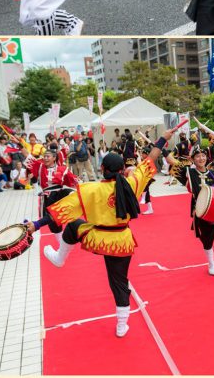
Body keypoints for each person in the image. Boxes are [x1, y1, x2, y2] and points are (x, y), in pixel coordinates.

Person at [26, 130, 170, 338]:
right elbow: (151, 158)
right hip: (122, 242)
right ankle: (122, 325)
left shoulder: (89, 189)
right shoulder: (132, 183)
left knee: (74, 224)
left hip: (98, 239)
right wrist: (163, 138)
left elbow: (61, 212)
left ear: (102, 169)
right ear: (122, 169)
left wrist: (36, 225)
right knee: (119, 282)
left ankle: (59, 257)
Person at [168, 145, 214, 275]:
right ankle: (212, 263)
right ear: (193, 159)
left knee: (210, 236)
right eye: (198, 156)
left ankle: (211, 258)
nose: (201, 158)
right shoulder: (189, 172)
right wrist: (163, 146)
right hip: (199, 210)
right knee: (206, 238)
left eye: (203, 156)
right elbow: (171, 161)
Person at [23, 146, 77, 248]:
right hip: (48, 197)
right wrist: (19, 144)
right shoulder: (40, 167)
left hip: (60, 194)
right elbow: (27, 155)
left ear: (54, 158)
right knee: (54, 224)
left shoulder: (62, 169)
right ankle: (62, 245)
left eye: (48, 156)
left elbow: (73, 180)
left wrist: (84, 187)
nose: (45, 158)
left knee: (71, 193)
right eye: (44, 156)